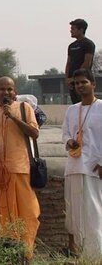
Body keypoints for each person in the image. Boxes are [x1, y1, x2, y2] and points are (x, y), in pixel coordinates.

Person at [0, 76, 40, 260]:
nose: (6, 93)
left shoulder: (25, 109)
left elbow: (34, 133)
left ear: (15, 91)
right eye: (2, 89)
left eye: (10, 89)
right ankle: (3, 254)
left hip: (19, 168)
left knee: (26, 212)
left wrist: (13, 117)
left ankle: (25, 254)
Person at [62, 68, 102, 259]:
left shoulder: (101, 107)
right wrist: (69, 142)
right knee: (75, 214)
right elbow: (65, 134)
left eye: (83, 82)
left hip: (94, 168)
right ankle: (79, 256)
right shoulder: (72, 110)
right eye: (76, 83)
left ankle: (96, 257)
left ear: (93, 84)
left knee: (94, 214)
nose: (79, 86)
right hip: (74, 167)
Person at [65, 18, 96, 104]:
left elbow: (87, 62)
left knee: (85, 103)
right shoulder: (71, 46)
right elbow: (68, 63)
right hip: (72, 82)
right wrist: (67, 78)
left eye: (73, 29)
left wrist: (76, 78)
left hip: (82, 79)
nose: (71, 31)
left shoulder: (88, 44)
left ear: (81, 29)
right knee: (76, 104)